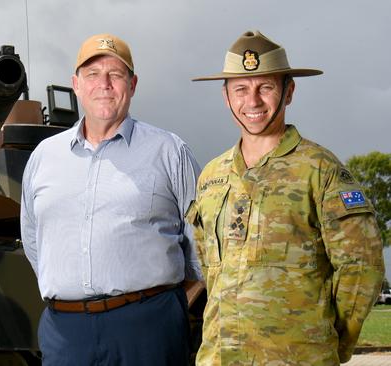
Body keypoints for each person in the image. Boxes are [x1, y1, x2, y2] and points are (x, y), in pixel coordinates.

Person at [187, 30, 385, 365]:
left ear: (288, 92)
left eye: (265, 87)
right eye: (241, 89)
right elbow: (209, 264)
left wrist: (328, 343)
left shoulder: (320, 170)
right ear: (226, 97)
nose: (253, 101)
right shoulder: (212, 176)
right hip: (220, 357)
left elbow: (362, 266)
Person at [21, 33, 202, 365]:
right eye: (92, 74)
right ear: (76, 84)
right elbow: (35, 242)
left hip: (148, 328)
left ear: (132, 85)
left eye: (115, 74)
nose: (103, 84)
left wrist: (165, 307)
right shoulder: (44, 157)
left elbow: (200, 248)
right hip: (66, 333)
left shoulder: (169, 152)